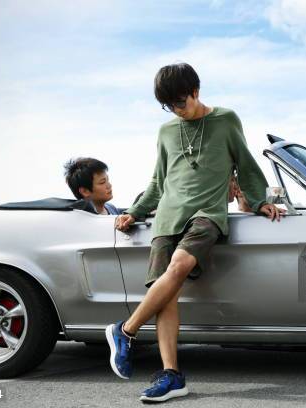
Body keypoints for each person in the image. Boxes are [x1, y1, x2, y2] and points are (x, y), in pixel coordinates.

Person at [105, 62, 285, 402]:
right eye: (170, 106)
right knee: (166, 296)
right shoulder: (166, 132)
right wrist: (135, 211)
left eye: (181, 102)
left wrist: (259, 200)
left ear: (196, 92)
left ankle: (125, 330)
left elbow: (246, 164)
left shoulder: (226, 119)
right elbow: (159, 180)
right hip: (167, 217)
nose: (177, 110)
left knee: (179, 267)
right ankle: (172, 376)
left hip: (207, 214)